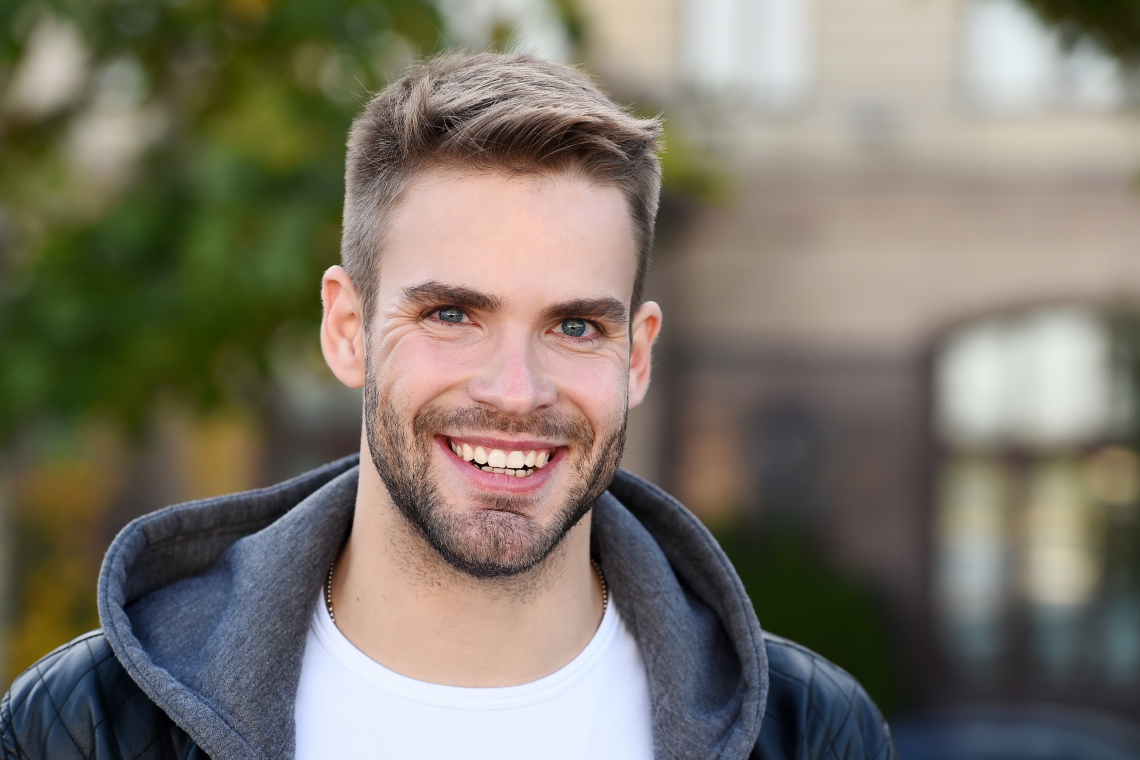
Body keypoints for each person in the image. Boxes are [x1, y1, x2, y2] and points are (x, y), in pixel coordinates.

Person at [1, 53, 893, 760]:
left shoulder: (811, 734)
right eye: (453, 315)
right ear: (347, 329)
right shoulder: (88, 728)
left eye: (575, 325)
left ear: (637, 355)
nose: (516, 391)